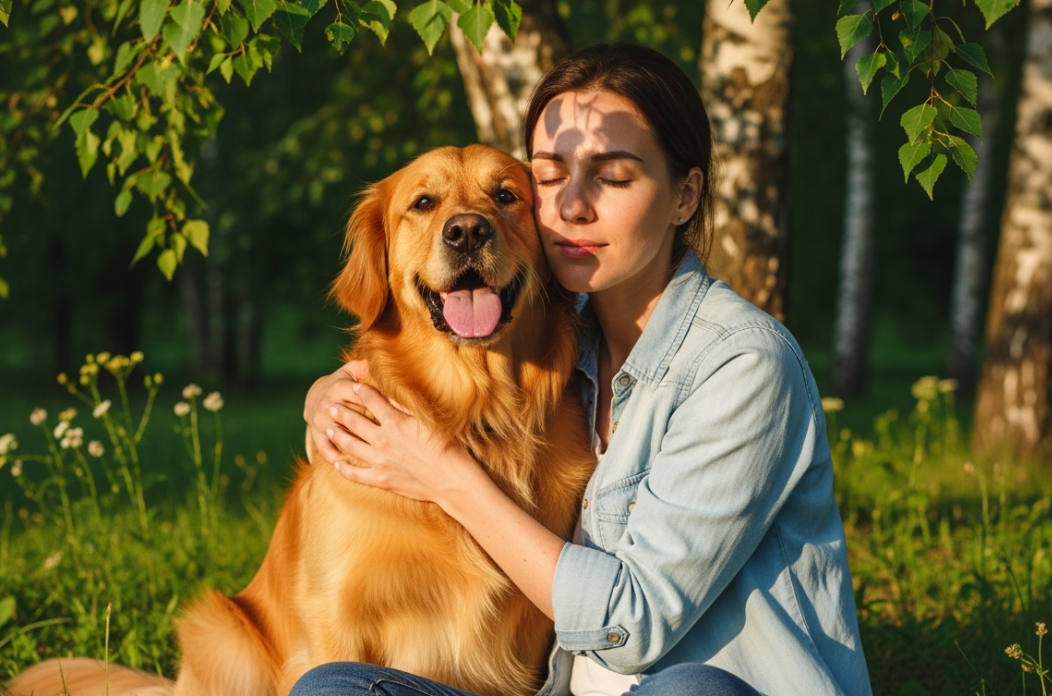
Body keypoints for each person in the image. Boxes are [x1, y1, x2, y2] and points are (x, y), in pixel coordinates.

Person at [293, 42, 873, 696]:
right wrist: (326, 396)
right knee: (332, 688)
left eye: (613, 177)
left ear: (685, 197)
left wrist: (443, 474)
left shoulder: (743, 364)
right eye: (548, 175)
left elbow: (632, 625)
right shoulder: (562, 354)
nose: (571, 206)